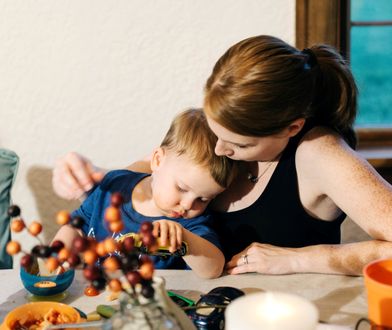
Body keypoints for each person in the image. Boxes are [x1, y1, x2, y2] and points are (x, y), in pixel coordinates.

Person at [52, 35, 392, 276]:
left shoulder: (319, 153)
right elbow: (157, 171)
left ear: (291, 128)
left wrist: (299, 260)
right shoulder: (231, 126)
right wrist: (93, 177)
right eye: (217, 133)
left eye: (239, 146)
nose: (219, 150)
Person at [52, 108, 237, 279]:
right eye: (181, 188)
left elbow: (213, 268)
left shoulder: (190, 225)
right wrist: (57, 254)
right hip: (96, 294)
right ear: (157, 160)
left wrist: (185, 242)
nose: (189, 204)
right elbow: (76, 226)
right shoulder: (114, 186)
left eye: (203, 199)